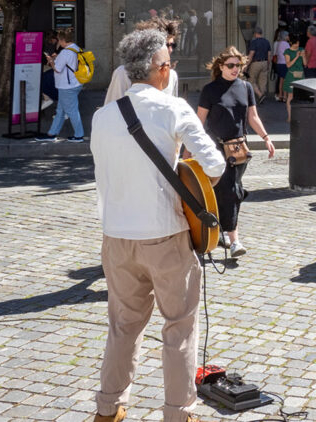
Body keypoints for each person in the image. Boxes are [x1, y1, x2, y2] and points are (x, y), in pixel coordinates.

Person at [90, 29, 226, 422]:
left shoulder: (101, 117)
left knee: (122, 327)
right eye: (168, 62)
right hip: (164, 235)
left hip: (116, 237)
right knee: (179, 328)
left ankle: (108, 408)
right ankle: (178, 413)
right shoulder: (173, 109)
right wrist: (188, 177)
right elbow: (214, 166)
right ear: (159, 69)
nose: (170, 69)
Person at [197, 47, 276, 257]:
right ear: (220, 66)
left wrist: (266, 138)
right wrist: (189, 150)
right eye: (230, 65)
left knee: (230, 190)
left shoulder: (246, 87)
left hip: (240, 150)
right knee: (230, 190)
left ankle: (218, 231)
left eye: (238, 66)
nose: (235, 69)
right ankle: (235, 241)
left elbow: (253, 117)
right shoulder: (210, 90)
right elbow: (198, 122)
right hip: (216, 150)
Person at [105, 19, 180, 105]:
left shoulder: (172, 76)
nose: (170, 50)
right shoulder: (123, 73)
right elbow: (111, 108)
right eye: (166, 45)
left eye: (173, 45)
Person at [35, 28, 85, 143]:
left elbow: (57, 69)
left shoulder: (66, 52)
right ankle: (52, 134)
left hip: (66, 86)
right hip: (75, 83)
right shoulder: (77, 49)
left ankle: (79, 135)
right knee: (61, 111)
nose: (58, 42)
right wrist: (57, 58)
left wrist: (50, 61)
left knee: (72, 111)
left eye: (59, 40)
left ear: (62, 40)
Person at [282, 34, 307, 122]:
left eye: (298, 43)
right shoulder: (287, 52)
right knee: (290, 96)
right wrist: (296, 57)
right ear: (291, 43)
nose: (297, 45)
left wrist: (303, 56)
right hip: (292, 75)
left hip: (300, 75)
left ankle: (300, 116)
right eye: (296, 43)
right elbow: (288, 65)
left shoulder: (301, 49)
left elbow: (305, 64)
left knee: (300, 96)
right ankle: (290, 116)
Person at [245, 27, 271, 102]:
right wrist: (268, 64)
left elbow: (251, 54)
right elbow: (269, 55)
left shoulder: (254, 42)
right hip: (265, 62)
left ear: (255, 34)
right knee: (263, 81)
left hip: (256, 63)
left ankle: (260, 95)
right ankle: (261, 98)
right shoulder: (267, 42)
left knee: (251, 80)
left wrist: (246, 65)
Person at [273, 30, 291, 103]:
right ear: (285, 36)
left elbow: (277, 54)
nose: (288, 37)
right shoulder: (286, 44)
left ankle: (280, 95)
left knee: (281, 80)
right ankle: (285, 97)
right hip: (285, 64)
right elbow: (289, 53)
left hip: (279, 63)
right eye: (287, 35)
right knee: (286, 81)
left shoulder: (279, 43)